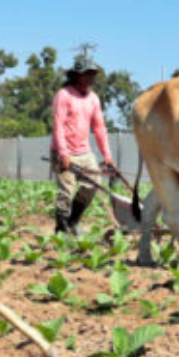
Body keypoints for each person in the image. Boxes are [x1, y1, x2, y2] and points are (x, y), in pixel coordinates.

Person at [51, 54, 116, 234]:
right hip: (64, 152)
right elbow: (58, 125)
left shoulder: (93, 98)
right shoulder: (63, 95)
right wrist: (63, 153)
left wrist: (107, 157)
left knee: (93, 184)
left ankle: (73, 221)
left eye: (92, 74)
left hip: (84, 152)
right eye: (86, 74)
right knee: (66, 191)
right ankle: (61, 230)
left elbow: (100, 128)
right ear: (76, 75)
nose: (89, 78)